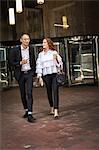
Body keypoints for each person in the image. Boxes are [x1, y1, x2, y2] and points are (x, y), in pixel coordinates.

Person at [10, 33, 36, 123]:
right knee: (22, 94)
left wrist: (34, 73)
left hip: (29, 73)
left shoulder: (31, 49)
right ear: (21, 40)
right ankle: (26, 109)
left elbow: (33, 61)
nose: (27, 41)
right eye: (25, 39)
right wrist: (20, 63)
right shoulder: (14, 50)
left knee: (29, 93)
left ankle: (30, 113)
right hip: (20, 74)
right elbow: (11, 63)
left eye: (28, 39)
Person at [36, 38, 63, 119]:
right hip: (46, 75)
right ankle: (51, 106)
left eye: (44, 42)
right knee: (49, 92)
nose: (43, 44)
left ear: (48, 44)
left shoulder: (54, 52)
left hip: (54, 74)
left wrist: (55, 60)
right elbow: (39, 65)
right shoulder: (40, 55)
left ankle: (56, 110)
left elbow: (60, 64)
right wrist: (39, 76)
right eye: (43, 42)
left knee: (55, 91)